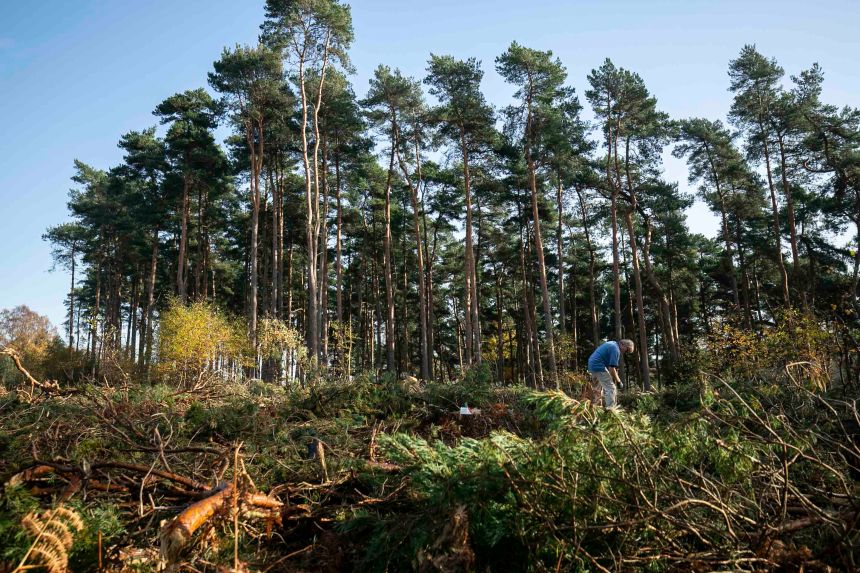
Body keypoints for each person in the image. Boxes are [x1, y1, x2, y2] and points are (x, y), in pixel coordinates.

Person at [587, 339, 635, 408]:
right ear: (623, 345)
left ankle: (596, 408)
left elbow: (610, 365)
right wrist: (618, 382)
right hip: (598, 366)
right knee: (611, 388)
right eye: (627, 350)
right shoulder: (616, 349)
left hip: (592, 364)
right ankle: (611, 409)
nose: (625, 352)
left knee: (597, 389)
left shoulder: (612, 343)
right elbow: (611, 369)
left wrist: (613, 373)